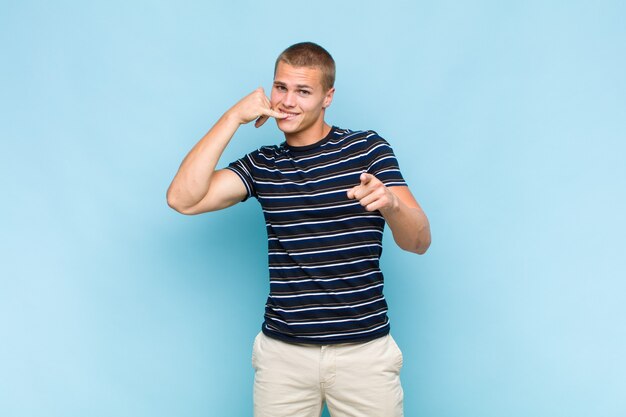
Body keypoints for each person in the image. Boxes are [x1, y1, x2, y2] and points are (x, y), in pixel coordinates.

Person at [167, 42, 431, 417]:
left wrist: (391, 204)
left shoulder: (367, 149)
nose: (288, 101)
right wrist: (232, 118)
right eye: (281, 87)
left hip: (364, 355)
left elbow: (419, 241)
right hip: (283, 360)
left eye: (303, 91)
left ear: (328, 96)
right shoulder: (263, 165)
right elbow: (182, 198)